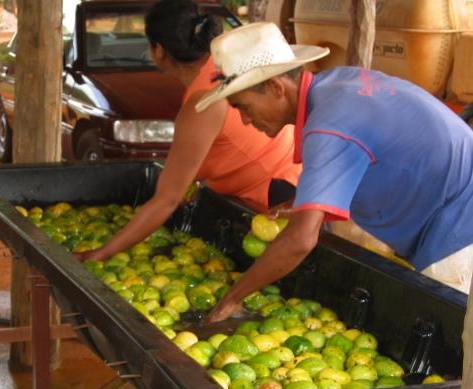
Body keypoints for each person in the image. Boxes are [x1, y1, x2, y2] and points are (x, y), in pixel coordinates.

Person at [195, 22, 473, 322]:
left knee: (455, 348)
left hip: (460, 230)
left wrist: (231, 299)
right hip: (453, 212)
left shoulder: (328, 123)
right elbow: (371, 155)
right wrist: (309, 202)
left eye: (244, 107)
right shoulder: (335, 84)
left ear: (276, 88)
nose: (246, 121)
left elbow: (301, 240)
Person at [75, 1, 301, 263]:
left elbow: (167, 200)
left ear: (158, 50)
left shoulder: (204, 101)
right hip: (291, 181)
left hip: (273, 203)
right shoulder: (220, 70)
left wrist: (102, 253)